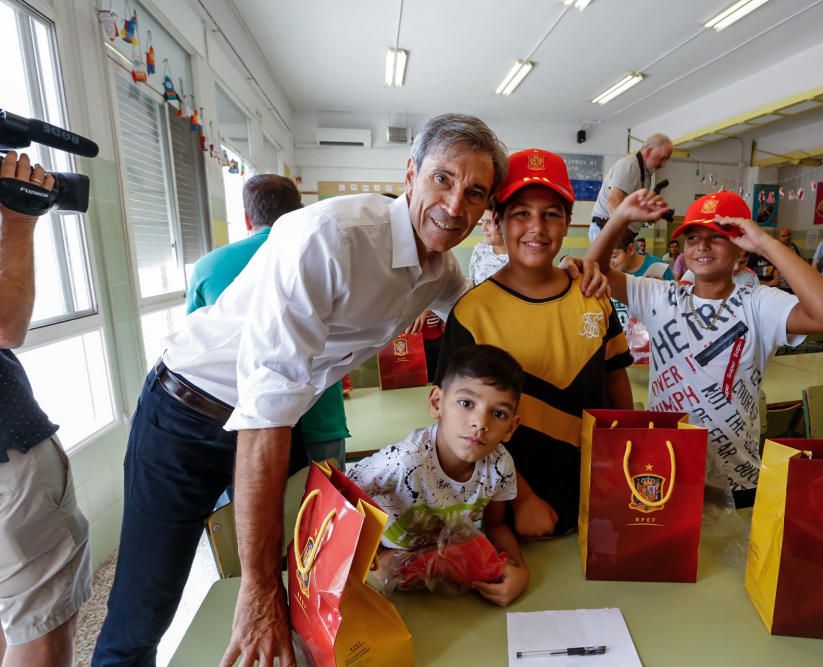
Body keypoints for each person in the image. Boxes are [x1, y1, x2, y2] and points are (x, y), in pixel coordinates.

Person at [93, 114, 511, 667]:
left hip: (282, 423)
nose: (455, 205)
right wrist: (258, 590)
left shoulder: (438, 269)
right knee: (146, 606)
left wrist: (573, 274)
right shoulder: (330, 238)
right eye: (443, 179)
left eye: (475, 192)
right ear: (410, 173)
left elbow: (488, 317)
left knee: (304, 584)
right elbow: (263, 413)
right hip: (187, 414)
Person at [588, 190, 823, 507]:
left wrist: (766, 244)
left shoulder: (758, 304)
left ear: (741, 245)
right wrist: (620, 219)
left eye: (717, 237)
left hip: (738, 479)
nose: (701, 246)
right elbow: (595, 271)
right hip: (665, 471)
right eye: (693, 238)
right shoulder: (661, 296)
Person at [436, 149, 634, 538]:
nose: (536, 228)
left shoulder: (591, 294)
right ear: (498, 221)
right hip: (504, 510)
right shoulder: (473, 313)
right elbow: (456, 423)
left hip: (596, 499)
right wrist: (520, 497)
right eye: (522, 213)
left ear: (567, 224)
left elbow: (615, 382)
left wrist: (624, 457)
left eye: (551, 214)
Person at [186, 174, 350, 468]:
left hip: (241, 419)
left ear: (248, 219)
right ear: (300, 210)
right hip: (318, 413)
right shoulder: (325, 254)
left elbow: (195, 347)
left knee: (246, 510)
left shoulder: (208, 267)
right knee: (325, 508)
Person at [348, 344, 528, 607]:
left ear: (511, 427)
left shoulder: (500, 465)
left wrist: (520, 572)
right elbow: (341, 492)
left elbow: (496, 525)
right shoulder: (404, 460)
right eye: (466, 403)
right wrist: (371, 549)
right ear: (436, 403)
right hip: (390, 568)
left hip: (445, 560)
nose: (480, 423)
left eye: (498, 413)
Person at [0, 152, 91, 666]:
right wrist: (17, 222)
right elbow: (5, 325)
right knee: (41, 630)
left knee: (11, 613)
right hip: (7, 457)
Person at [587, 133, 673, 242]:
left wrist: (651, 213)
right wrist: (620, 237)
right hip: (607, 229)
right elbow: (613, 202)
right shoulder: (629, 166)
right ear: (649, 151)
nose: (663, 164)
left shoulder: (645, 172)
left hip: (621, 231)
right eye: (662, 158)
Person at [468, 209, 508, 285]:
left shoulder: (520, 259)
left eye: (489, 222)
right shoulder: (480, 248)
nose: (483, 228)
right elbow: (472, 282)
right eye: (483, 221)